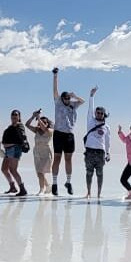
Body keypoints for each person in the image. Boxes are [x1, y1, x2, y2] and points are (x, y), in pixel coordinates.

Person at [51, 68, 85, 196]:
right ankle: (54, 184)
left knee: (68, 159)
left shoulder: (73, 104)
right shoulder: (58, 103)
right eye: (64, 98)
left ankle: (68, 182)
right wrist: (55, 75)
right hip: (58, 134)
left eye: (67, 98)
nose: (66, 99)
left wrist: (74, 95)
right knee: (57, 158)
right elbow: (55, 90)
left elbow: (82, 101)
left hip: (69, 135)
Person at [84, 86, 111, 199]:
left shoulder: (107, 127)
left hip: (100, 153)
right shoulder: (90, 121)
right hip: (89, 152)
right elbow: (90, 108)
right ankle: (89, 192)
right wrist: (91, 96)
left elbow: (108, 141)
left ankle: (99, 193)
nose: (99, 114)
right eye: (97, 112)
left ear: (104, 115)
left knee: (100, 174)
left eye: (101, 113)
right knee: (89, 173)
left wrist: (108, 153)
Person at [26, 110, 54, 194]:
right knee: (39, 173)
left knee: (41, 171)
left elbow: (45, 128)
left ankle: (41, 189)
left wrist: (38, 118)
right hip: (37, 153)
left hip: (46, 153)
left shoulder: (50, 130)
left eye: (44, 122)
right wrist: (33, 116)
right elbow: (27, 125)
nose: (41, 123)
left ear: (47, 123)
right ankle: (48, 186)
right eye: (40, 122)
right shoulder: (37, 130)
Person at [1, 109, 28, 196]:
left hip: (15, 149)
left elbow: (20, 139)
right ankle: (12, 186)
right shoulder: (10, 127)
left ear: (19, 117)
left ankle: (22, 189)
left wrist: (10, 144)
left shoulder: (20, 126)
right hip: (8, 150)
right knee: (4, 169)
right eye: (13, 114)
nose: (14, 116)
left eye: (16, 115)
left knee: (13, 170)